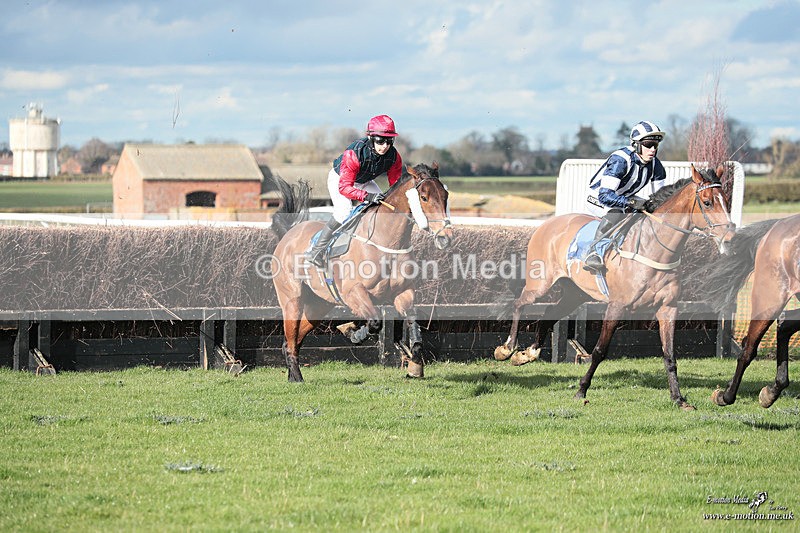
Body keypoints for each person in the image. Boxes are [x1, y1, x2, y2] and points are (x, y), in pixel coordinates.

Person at [305, 114, 403, 267]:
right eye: (380, 140)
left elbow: (396, 186)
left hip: (363, 181)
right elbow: (345, 188)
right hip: (340, 179)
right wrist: (367, 196)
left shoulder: (394, 157)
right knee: (343, 211)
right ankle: (316, 249)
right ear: (371, 138)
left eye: (389, 141)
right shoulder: (354, 154)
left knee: (384, 204)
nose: (385, 146)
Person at [583, 120, 667, 273]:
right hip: (598, 196)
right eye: (648, 144)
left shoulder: (657, 165)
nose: (653, 149)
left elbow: (660, 200)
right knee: (617, 212)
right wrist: (630, 202)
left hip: (625, 196)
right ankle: (594, 252)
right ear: (636, 144)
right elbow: (605, 196)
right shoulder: (620, 160)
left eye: (656, 145)